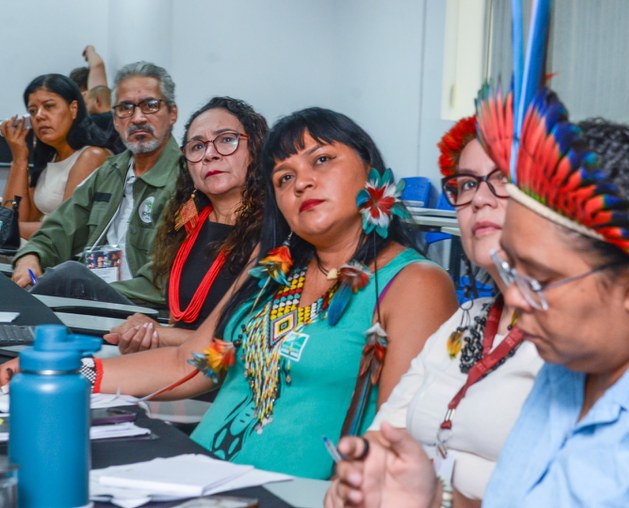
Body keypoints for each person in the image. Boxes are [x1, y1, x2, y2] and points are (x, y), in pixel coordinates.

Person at [329, 88, 629, 507]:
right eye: (509, 269)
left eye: (538, 279)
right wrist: (435, 500)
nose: (515, 299)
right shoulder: (577, 357)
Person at [1, 107, 458, 479]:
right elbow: (188, 363)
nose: (301, 181)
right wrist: (66, 371)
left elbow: (398, 445)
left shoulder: (413, 282)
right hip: (198, 475)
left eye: (321, 160)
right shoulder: (273, 270)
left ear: (370, 172)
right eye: (283, 177)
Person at [325, 116, 542, 507]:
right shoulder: (468, 318)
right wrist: (359, 480)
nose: (479, 198)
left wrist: (436, 499)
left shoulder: (575, 340)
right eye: (469, 183)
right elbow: (384, 432)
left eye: (503, 180)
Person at [103, 96, 268, 353]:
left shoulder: (275, 230)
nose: (210, 154)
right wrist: (147, 330)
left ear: (256, 148)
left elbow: (246, 338)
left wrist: (160, 334)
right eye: (197, 146)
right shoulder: (185, 222)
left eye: (226, 139)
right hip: (175, 366)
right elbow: (177, 314)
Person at [10, 61, 180, 307]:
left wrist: (88, 289)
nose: (138, 118)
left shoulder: (188, 179)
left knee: (68, 276)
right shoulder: (110, 172)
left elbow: (167, 275)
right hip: (90, 304)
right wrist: (31, 257)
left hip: (143, 310)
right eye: (125, 108)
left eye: (150, 105)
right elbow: (58, 229)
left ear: (172, 113)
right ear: (115, 119)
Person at [0, 74, 112, 238]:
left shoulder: (91, 156)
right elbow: (17, 216)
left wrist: (6, 229)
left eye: (49, 106)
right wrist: (19, 159)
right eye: (33, 110)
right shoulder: (51, 158)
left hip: (65, 257)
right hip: (36, 250)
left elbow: (65, 227)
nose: (39, 116)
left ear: (73, 109)